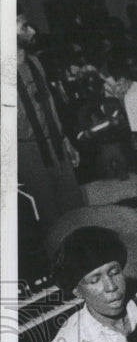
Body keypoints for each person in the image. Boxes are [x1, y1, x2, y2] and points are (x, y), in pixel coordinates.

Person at [17, 12, 82, 232]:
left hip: (55, 145)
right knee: (48, 217)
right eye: (24, 26)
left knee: (74, 209)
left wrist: (65, 140)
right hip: (26, 151)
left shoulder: (35, 62)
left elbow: (49, 105)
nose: (33, 31)